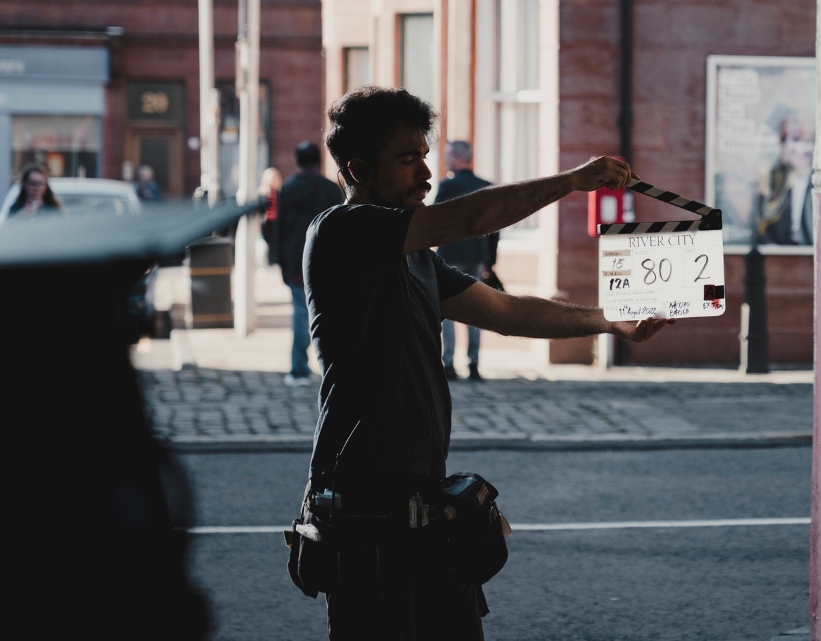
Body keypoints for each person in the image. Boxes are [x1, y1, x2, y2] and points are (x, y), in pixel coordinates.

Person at [304, 86, 672, 639]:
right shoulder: (340, 232)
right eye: (408, 159)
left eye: (425, 156)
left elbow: (504, 310)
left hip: (427, 510)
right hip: (363, 516)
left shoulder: (417, 258)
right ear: (357, 168)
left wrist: (607, 320)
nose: (426, 174)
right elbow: (472, 217)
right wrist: (572, 181)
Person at [275, 142, 343, 387]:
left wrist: (279, 262)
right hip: (327, 262)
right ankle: (333, 369)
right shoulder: (331, 189)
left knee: (301, 315)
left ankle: (299, 369)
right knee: (331, 317)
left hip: (295, 263)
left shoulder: (288, 189)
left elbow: (279, 229)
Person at [434, 140, 498, 381]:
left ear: (459, 157)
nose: (446, 160)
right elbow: (495, 227)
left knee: (448, 311)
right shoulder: (485, 186)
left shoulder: (448, 186)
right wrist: (489, 260)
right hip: (477, 257)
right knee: (475, 311)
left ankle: (448, 362)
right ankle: (474, 363)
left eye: (449, 155)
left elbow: (435, 221)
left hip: (450, 256)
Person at [752, 111, 815, 246]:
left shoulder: (820, 181)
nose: (802, 149)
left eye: (809, 141)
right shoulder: (775, 178)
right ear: (783, 144)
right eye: (796, 140)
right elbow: (762, 226)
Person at [260, 166, 284, 265]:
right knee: (267, 243)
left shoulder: (280, 193)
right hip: (267, 222)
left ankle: (275, 261)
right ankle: (269, 262)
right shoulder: (264, 194)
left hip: (277, 221)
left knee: (276, 243)